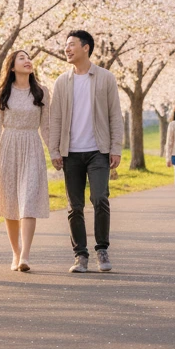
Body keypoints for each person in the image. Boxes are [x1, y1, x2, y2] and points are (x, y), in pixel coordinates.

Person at [48, 29, 124, 273]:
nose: (67, 49)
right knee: (75, 206)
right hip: (71, 153)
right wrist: (54, 151)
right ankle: (80, 255)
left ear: (86, 47)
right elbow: (55, 118)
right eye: (65, 46)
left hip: (98, 151)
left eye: (71, 45)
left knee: (100, 198)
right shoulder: (61, 82)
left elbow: (115, 115)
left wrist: (116, 148)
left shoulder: (105, 78)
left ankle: (102, 249)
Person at [0, 49, 51, 272]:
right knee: (11, 203)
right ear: (12, 67)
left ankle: (25, 255)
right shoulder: (2, 93)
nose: (27, 61)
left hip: (32, 146)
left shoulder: (42, 92)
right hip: (8, 147)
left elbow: (47, 126)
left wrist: (55, 153)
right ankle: (15, 252)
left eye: (28, 58)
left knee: (29, 200)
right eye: (21, 58)